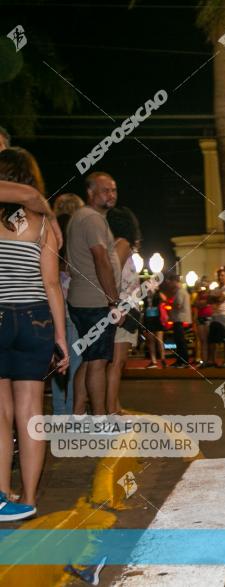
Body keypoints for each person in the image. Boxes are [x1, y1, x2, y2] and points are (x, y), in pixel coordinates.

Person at [0, 148, 69, 521]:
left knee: (1, 414)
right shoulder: (43, 223)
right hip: (37, 320)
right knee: (31, 413)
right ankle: (27, 498)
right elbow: (52, 285)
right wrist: (61, 337)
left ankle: (0, 494)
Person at [66, 172, 120, 415]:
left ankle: (77, 414)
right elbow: (101, 259)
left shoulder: (80, 217)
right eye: (105, 190)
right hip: (96, 302)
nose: (111, 195)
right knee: (98, 363)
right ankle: (99, 420)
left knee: (89, 361)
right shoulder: (92, 219)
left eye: (113, 190)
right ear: (90, 193)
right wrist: (113, 301)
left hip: (81, 299)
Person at [50, 194, 84, 415]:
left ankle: (59, 411)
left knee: (58, 360)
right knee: (76, 361)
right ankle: (72, 410)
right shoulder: (78, 231)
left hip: (54, 302)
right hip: (76, 300)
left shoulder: (50, 229)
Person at [105, 207, 142, 414]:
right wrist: (118, 304)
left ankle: (113, 405)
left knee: (115, 363)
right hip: (123, 309)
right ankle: (111, 410)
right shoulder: (123, 244)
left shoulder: (115, 243)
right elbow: (114, 273)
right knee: (117, 363)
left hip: (122, 307)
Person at [207, 267, 225, 368]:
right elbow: (209, 300)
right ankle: (212, 360)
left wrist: (215, 298)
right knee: (212, 339)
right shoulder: (216, 289)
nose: (220, 277)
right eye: (219, 275)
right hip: (214, 315)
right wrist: (215, 298)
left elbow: (220, 299)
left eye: (223, 275)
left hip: (224, 316)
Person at [168, 273, 191, 368]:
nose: (169, 285)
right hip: (179, 320)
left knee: (180, 341)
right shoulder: (181, 291)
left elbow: (178, 305)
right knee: (179, 341)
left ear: (175, 281)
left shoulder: (180, 292)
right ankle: (180, 360)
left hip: (180, 320)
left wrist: (168, 303)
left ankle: (184, 361)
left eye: (170, 282)